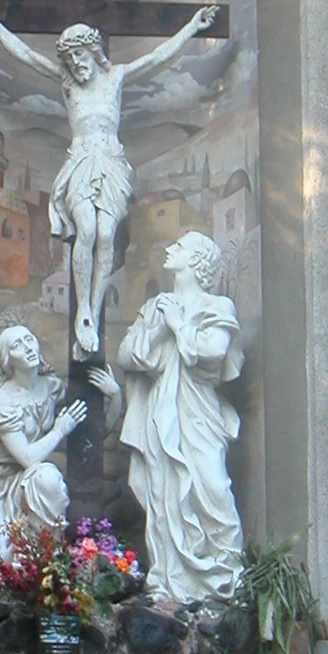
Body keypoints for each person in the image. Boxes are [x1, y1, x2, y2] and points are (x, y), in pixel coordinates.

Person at [0, 0, 218, 356]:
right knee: (85, 230)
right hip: (81, 163)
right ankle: (82, 308)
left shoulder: (116, 76)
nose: (75, 64)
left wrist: (193, 28)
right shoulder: (68, 83)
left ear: (93, 52)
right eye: (69, 60)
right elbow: (27, 56)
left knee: (105, 234)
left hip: (111, 164)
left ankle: (94, 308)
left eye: (79, 56)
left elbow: (156, 58)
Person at [117, 231, 244, 601]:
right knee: (164, 492)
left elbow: (213, 350)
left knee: (213, 486)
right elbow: (126, 354)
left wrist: (178, 324)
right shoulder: (155, 307)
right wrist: (159, 328)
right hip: (161, 412)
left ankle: (226, 571)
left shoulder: (217, 305)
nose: (170, 249)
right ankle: (167, 576)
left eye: (180, 246)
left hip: (198, 412)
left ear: (197, 260)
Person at [0, 324, 118, 570]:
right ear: (8, 360)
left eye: (29, 339)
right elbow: (28, 458)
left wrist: (115, 396)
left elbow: (92, 434)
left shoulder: (50, 387)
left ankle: (46, 559)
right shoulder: (3, 401)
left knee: (47, 477)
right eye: (17, 346)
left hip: (18, 477)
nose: (28, 348)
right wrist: (59, 430)